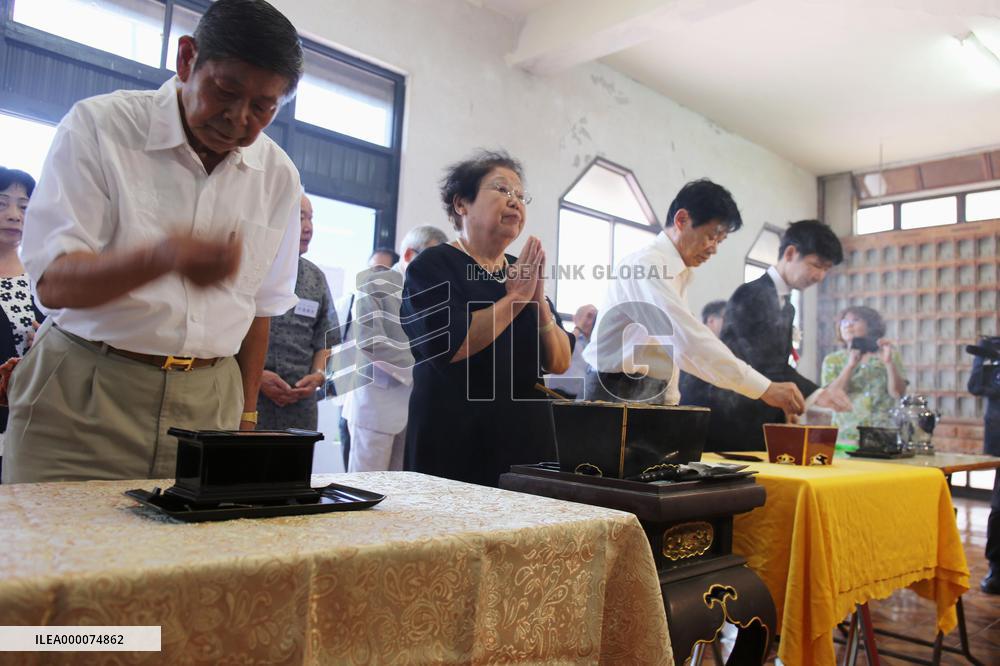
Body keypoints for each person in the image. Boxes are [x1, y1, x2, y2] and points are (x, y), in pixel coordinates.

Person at [2, 0, 304, 484]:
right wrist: (162, 258)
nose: (237, 118)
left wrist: (246, 420)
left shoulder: (278, 176)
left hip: (210, 406)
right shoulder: (101, 129)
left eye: (262, 108)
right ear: (187, 59)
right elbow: (55, 284)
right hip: (86, 396)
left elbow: (259, 310)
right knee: (59, 555)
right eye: (224, 91)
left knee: (195, 560)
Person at [400, 150, 573, 487]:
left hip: (526, 443)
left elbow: (559, 361)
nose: (515, 202)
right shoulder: (433, 266)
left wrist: (538, 303)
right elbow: (453, 345)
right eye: (502, 190)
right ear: (461, 204)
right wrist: (515, 299)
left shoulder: (519, 268)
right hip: (456, 441)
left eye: (521, 196)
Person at [583, 179, 805, 419]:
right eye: (711, 236)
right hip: (614, 394)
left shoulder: (677, 273)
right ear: (681, 220)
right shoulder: (645, 266)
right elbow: (686, 340)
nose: (714, 249)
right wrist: (763, 387)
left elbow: (671, 352)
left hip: (647, 392)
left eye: (720, 241)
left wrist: (670, 403)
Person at [689, 219, 852, 451]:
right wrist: (816, 393)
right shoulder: (752, 294)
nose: (820, 276)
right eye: (817, 265)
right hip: (729, 414)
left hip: (753, 413)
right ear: (791, 252)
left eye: (826, 269)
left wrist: (787, 405)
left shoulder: (787, 305)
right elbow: (761, 362)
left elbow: (776, 365)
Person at [345, 225, 448, 472]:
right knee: (366, 490)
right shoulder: (372, 284)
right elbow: (371, 341)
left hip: (414, 410)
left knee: (401, 494)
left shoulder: (430, 292)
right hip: (375, 408)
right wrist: (422, 372)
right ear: (410, 255)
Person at [257, 193, 338, 430]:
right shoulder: (254, 269)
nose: (308, 228)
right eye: (301, 218)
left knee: (295, 467)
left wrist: (318, 375)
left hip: (301, 405)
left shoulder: (315, 278)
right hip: (251, 396)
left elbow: (327, 338)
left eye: (311, 219)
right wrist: (256, 376)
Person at [0, 168, 44, 480]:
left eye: (24, 207)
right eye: (2, 204)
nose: (15, 216)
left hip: (28, 422)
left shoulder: (40, 275)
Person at [821, 306, 907, 447]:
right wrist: (850, 366)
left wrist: (889, 363)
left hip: (882, 431)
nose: (848, 325)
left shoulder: (889, 355)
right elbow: (832, 396)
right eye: (844, 322)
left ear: (870, 326)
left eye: (855, 320)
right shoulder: (833, 360)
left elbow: (897, 393)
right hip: (847, 431)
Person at [967, 336, 1000, 594]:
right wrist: (984, 357)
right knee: (999, 506)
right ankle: (996, 568)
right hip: (998, 435)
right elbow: (976, 386)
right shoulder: (991, 350)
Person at [545, 303, 597, 399]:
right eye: (588, 316)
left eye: (594, 318)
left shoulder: (594, 345)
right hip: (556, 393)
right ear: (575, 318)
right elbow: (566, 347)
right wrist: (580, 327)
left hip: (580, 396)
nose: (590, 321)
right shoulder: (565, 336)